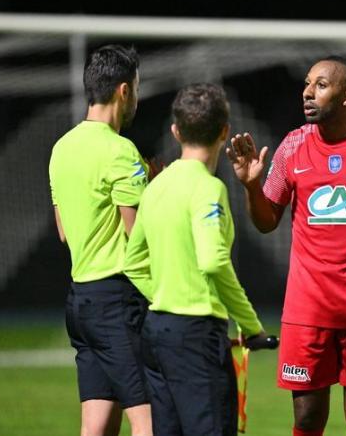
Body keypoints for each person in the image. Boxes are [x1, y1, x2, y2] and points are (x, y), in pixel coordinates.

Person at [226, 56, 346, 436]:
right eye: (307, 84)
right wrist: (252, 186)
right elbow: (267, 222)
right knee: (305, 418)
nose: (307, 92)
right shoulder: (292, 147)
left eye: (320, 85)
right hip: (308, 307)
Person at [124, 83, 269, 436]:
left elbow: (132, 262)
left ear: (176, 131)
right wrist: (251, 327)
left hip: (156, 332)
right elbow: (214, 262)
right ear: (224, 131)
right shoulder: (208, 188)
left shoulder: (157, 185)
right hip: (195, 337)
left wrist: (164, 294)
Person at [49, 44, 152, 436]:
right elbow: (139, 237)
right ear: (124, 91)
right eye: (137, 90)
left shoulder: (61, 148)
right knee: (151, 422)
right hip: (118, 301)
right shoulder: (120, 151)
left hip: (81, 303)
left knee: (96, 428)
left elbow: (64, 232)